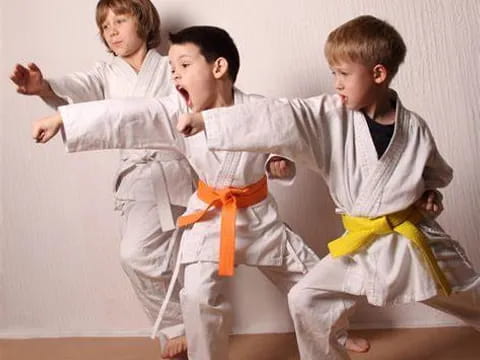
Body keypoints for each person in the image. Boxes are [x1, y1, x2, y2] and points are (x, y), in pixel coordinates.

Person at [30, 25, 375, 359]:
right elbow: (128, 115)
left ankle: (338, 332)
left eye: (183, 65)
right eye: (171, 69)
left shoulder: (258, 108)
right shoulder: (176, 113)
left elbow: (281, 137)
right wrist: (64, 119)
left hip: (258, 219)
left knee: (310, 279)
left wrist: (276, 162)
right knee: (195, 296)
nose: (175, 76)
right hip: (211, 218)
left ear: (219, 67)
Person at [176, 15, 480, 360]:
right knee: (307, 297)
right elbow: (280, 115)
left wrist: (429, 194)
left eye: (343, 74)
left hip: (411, 241)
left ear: (378, 75)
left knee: (469, 296)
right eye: (333, 73)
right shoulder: (329, 115)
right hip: (360, 246)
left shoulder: (415, 129)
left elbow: (435, 174)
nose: (335, 83)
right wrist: (206, 121)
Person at [10, 1, 193, 358]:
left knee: (185, 262)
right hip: (138, 178)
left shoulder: (173, 64)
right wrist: (44, 86)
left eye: (120, 20)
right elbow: (76, 88)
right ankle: (177, 326)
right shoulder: (105, 74)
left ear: (143, 22)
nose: (111, 30)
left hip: (178, 169)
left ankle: (195, 332)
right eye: (105, 26)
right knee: (136, 256)